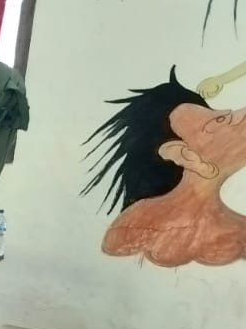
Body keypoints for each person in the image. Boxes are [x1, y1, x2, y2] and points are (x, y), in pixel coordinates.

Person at [83, 68, 246, 266]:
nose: (239, 116)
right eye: (219, 120)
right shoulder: (133, 227)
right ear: (185, 154)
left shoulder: (239, 232)